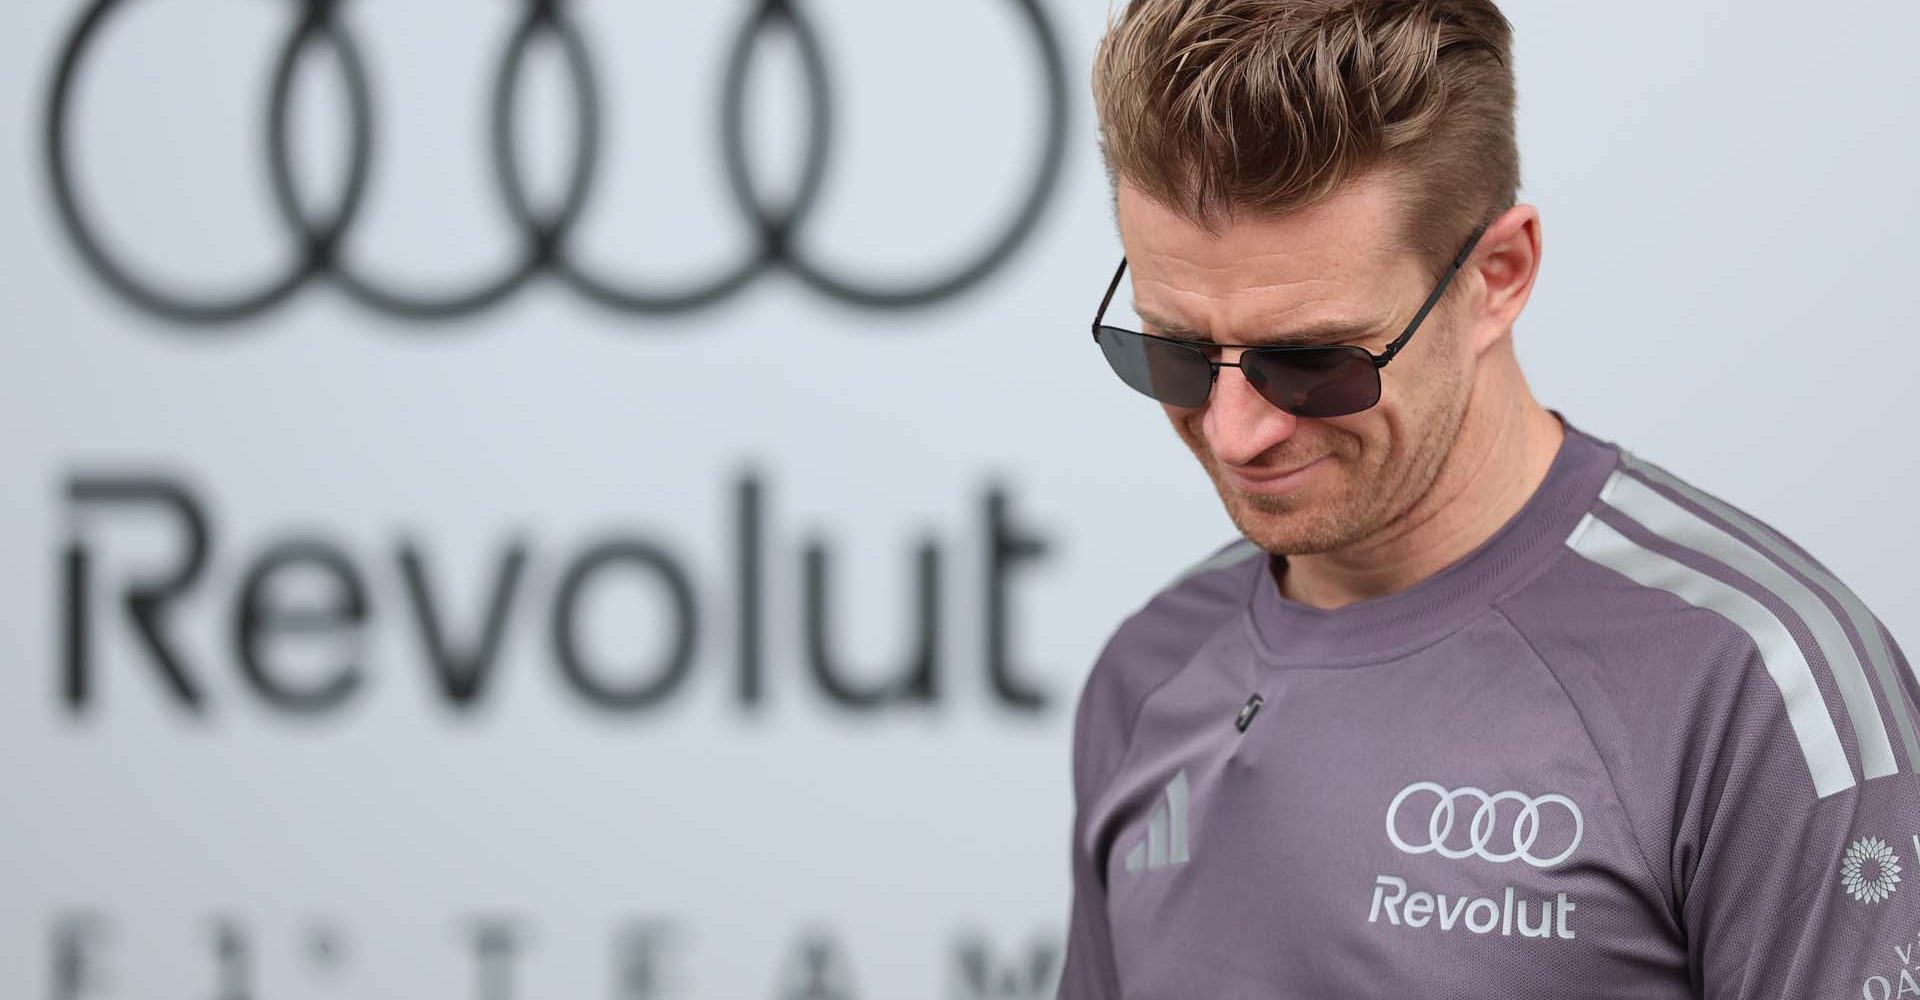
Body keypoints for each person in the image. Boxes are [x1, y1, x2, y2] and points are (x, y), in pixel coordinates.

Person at [1058, 1, 1920, 997]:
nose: (1234, 431)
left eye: (1313, 362)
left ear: (1498, 276)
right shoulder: (1148, 672)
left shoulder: (1758, 691)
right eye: (1174, 350)